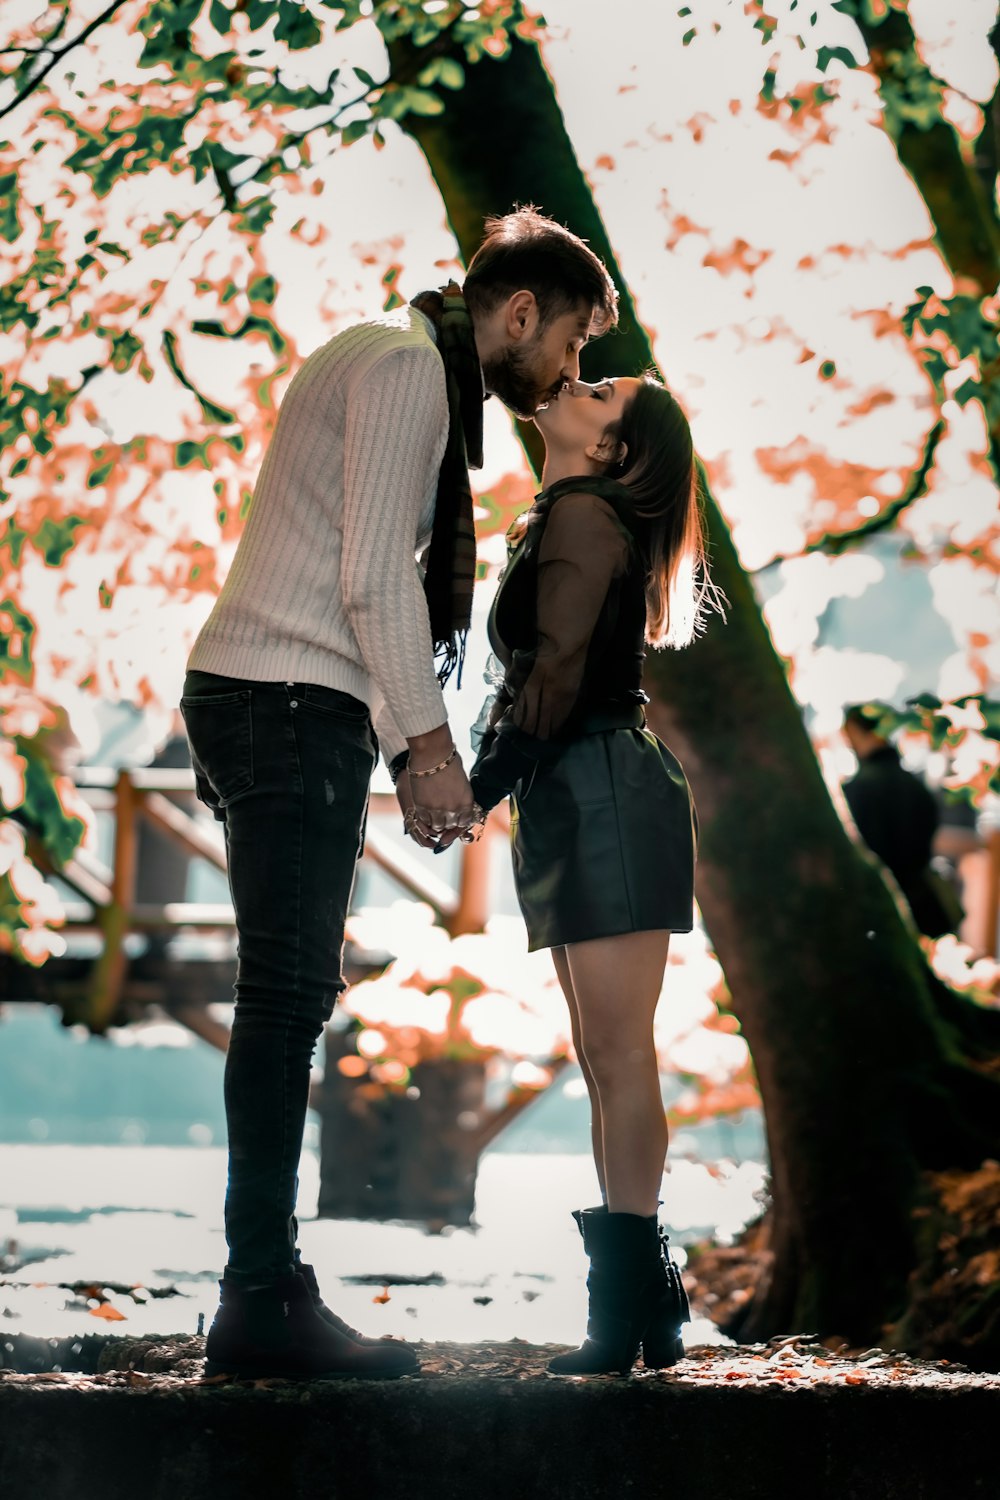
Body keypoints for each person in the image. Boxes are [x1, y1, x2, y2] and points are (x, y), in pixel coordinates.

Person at [180, 208, 618, 1380]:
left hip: (271, 691)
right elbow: (371, 574)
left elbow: (357, 571)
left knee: (288, 992)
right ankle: (258, 1301)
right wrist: (424, 747)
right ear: (519, 312)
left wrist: (400, 735)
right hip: (283, 697)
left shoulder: (385, 354)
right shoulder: (407, 369)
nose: (568, 373)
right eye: (570, 344)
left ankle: (263, 1288)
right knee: (285, 999)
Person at [463, 372, 716, 1375]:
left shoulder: (581, 511)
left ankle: (630, 1314)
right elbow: (541, 678)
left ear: (614, 447)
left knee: (619, 1055)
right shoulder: (568, 513)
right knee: (608, 1057)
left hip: (600, 786)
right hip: (581, 789)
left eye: (599, 390)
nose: (573, 380)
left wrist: (476, 788)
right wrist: (492, 787)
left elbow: (556, 672)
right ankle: (640, 1310)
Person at [841, 704, 961, 939]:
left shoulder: (858, 789)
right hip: (931, 906)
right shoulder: (913, 783)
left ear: (856, 732)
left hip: (888, 915)